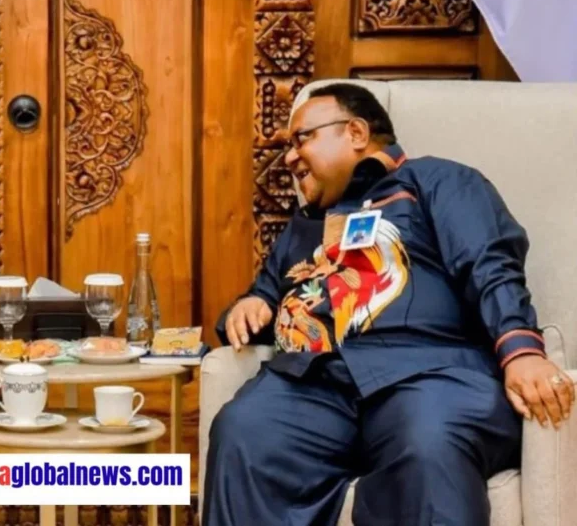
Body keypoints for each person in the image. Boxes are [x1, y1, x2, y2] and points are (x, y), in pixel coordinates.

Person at [203, 82, 575, 526]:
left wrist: (521, 350)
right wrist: (253, 304)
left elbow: (488, 265)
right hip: (315, 384)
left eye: (302, 139)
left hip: (429, 374)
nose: (289, 158)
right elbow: (267, 294)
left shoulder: (436, 180)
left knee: (427, 440)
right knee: (244, 431)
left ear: (356, 132)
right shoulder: (303, 226)